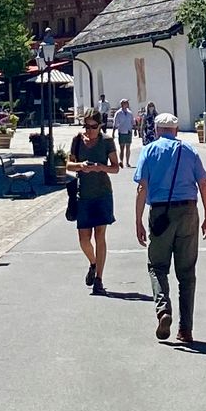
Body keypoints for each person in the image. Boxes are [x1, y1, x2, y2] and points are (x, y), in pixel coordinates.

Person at [133, 117, 206, 345]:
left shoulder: (148, 151)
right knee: (187, 273)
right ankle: (185, 330)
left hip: (160, 214)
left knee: (157, 266)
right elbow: (203, 184)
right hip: (188, 211)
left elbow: (141, 187)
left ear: (156, 130)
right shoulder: (189, 150)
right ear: (176, 130)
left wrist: (137, 220)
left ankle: (163, 309)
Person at [68, 108, 122, 293]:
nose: (89, 130)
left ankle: (99, 278)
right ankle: (93, 262)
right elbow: (68, 164)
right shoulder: (77, 140)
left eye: (93, 126)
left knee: (100, 236)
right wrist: (80, 166)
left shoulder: (106, 141)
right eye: (86, 126)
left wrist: (100, 167)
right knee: (84, 239)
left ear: (100, 125)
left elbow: (116, 168)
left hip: (103, 193)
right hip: (83, 195)